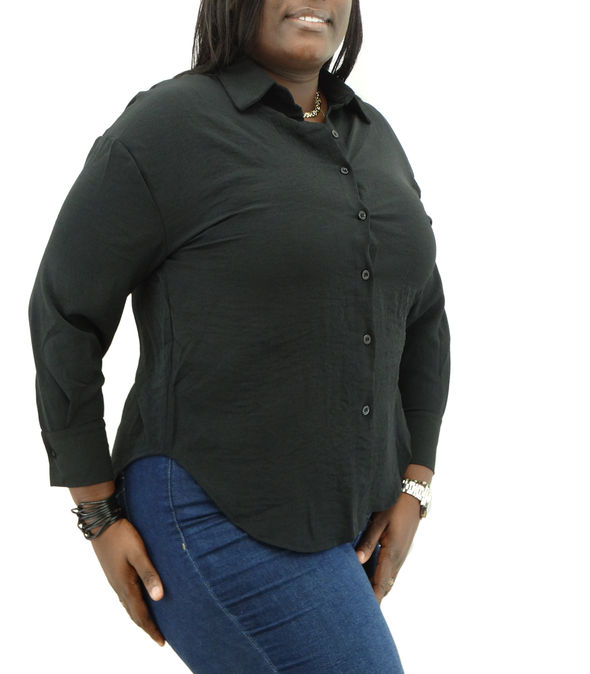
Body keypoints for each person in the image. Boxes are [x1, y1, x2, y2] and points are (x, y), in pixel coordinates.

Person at [29, 1, 450, 672]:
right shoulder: (171, 125)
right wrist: (95, 512)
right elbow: (64, 310)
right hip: (210, 512)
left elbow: (421, 312)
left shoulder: (372, 134)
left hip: (342, 521)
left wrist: (415, 483)